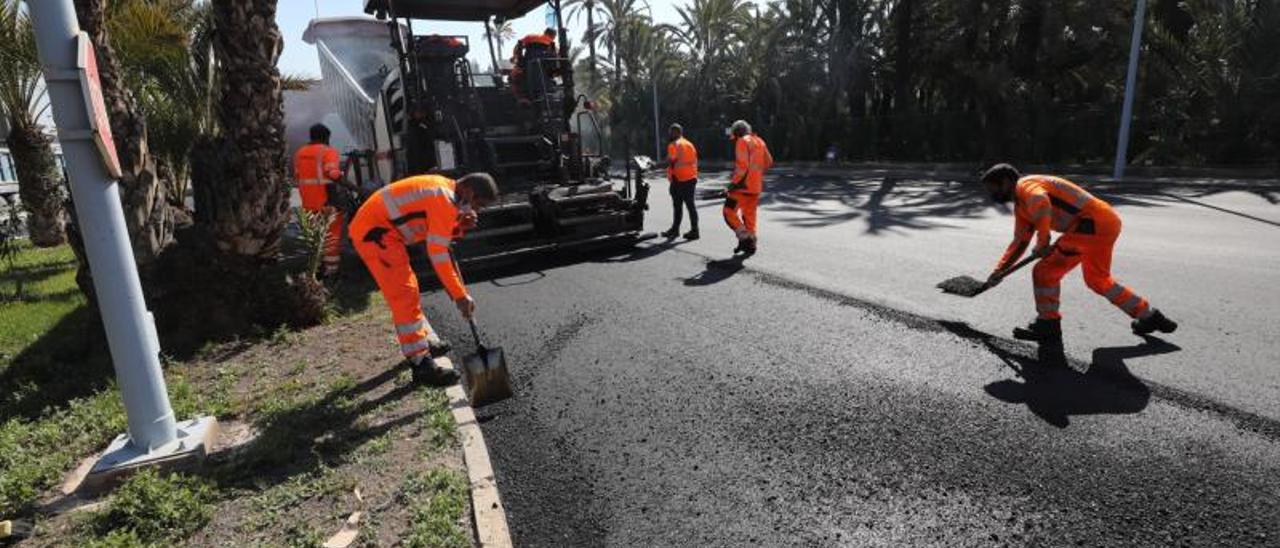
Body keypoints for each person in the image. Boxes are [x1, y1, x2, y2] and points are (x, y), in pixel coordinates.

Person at [981, 163, 1177, 352]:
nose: (991, 195)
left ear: (1006, 182)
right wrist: (999, 271)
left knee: (1044, 271)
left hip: (1089, 224)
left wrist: (1042, 241)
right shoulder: (1021, 206)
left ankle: (1048, 326)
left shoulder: (1026, 185)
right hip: (1106, 222)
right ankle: (1149, 316)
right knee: (1097, 280)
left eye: (993, 189)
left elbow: (1041, 203)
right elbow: (1020, 241)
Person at [348, 172, 500, 385]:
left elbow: (431, 227)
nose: (476, 210)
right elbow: (437, 253)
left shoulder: (447, 191)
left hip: (382, 230)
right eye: (478, 204)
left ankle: (420, 341)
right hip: (375, 234)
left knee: (409, 289)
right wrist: (459, 295)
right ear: (470, 191)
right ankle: (421, 364)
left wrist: (459, 226)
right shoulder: (444, 200)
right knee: (404, 293)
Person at [293, 124, 355, 278]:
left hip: (309, 203)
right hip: (327, 203)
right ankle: (331, 272)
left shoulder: (299, 153)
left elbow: (298, 177)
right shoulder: (328, 152)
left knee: (316, 237)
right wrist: (356, 188)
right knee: (331, 238)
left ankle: (317, 268)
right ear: (326, 137)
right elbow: (333, 175)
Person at [723, 120, 772, 255]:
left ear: (737, 132)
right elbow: (768, 162)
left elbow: (742, 167)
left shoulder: (742, 141)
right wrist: (755, 174)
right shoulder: (759, 141)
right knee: (749, 216)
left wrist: (733, 184)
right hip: (755, 187)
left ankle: (744, 238)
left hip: (742, 188)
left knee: (728, 211)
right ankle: (750, 244)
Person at [662, 123, 699, 240]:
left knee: (677, 206)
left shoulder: (674, 145)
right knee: (690, 206)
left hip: (679, 179)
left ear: (677, 132)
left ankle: (675, 230)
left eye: (671, 132)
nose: (669, 134)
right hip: (691, 178)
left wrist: (652, 165)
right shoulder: (689, 144)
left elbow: (669, 161)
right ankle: (694, 230)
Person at [510, 28, 557, 102]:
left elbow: (518, 46)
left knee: (512, 76)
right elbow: (555, 59)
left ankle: (521, 99)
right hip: (544, 72)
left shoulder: (530, 37)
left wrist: (515, 57)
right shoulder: (552, 44)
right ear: (554, 36)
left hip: (529, 65)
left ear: (544, 32)